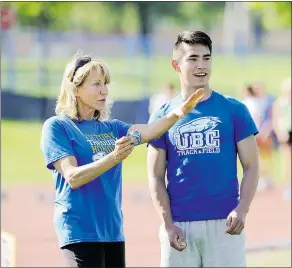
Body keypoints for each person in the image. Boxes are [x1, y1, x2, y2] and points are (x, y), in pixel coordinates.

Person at [40, 53, 204, 268]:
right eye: (96, 84)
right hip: (79, 230)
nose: (104, 90)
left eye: (105, 84)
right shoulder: (58, 127)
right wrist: (114, 157)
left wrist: (179, 112)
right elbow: (73, 177)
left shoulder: (114, 127)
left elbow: (150, 131)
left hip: (112, 230)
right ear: (76, 89)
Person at [147, 30, 259, 267]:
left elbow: (251, 165)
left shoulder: (234, 110)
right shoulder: (162, 116)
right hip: (179, 226)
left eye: (206, 58)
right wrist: (167, 223)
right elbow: (155, 176)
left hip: (225, 225)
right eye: (193, 58)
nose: (201, 65)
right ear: (176, 65)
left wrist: (242, 210)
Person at [272, 77, 291, 199]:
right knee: (286, 161)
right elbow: (276, 119)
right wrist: (279, 133)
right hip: (286, 133)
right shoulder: (280, 102)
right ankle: (287, 187)